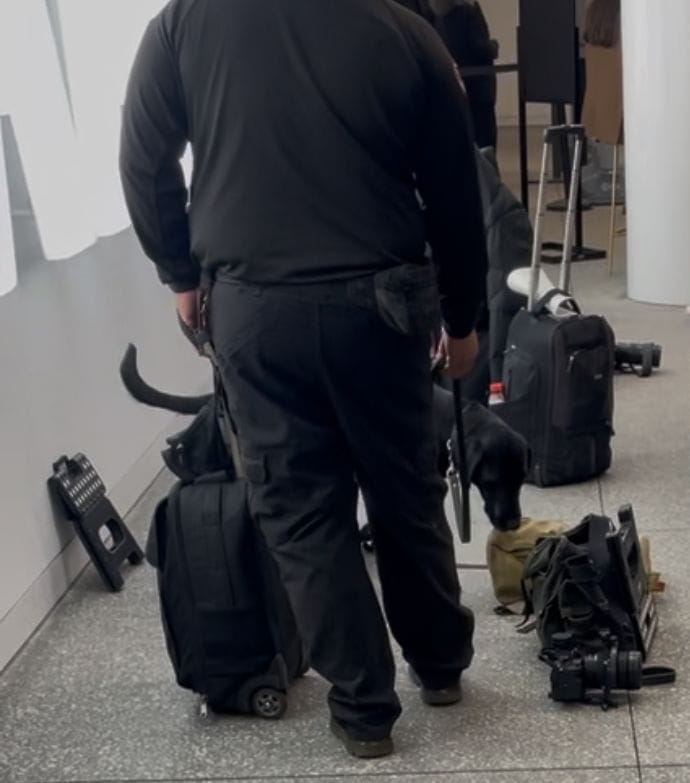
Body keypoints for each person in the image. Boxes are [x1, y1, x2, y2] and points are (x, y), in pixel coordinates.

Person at [119, 0, 486, 759]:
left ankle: (364, 709)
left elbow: (144, 156)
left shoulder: (183, 22)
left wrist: (179, 270)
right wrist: (464, 315)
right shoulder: (400, 26)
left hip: (255, 309)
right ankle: (440, 662)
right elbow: (455, 184)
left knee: (302, 508)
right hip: (383, 304)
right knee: (403, 483)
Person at [431, 0, 500, 149]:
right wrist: (494, 47)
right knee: (485, 139)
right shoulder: (469, 10)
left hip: (458, 84)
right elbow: (479, 47)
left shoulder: (439, 12)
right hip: (480, 85)